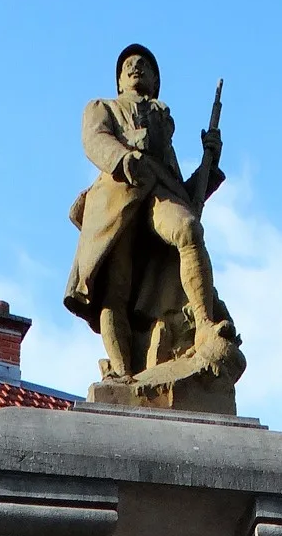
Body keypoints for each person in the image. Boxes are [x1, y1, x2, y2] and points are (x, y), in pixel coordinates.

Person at [64, 45, 230, 381]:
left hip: (158, 189)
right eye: (128, 65)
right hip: (116, 196)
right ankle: (123, 374)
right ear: (119, 81)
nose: (136, 66)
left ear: (155, 82)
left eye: (144, 65)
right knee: (115, 290)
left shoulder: (161, 125)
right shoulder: (103, 107)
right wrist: (123, 159)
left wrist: (208, 165)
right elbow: (95, 140)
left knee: (188, 229)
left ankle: (203, 324)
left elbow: (184, 193)